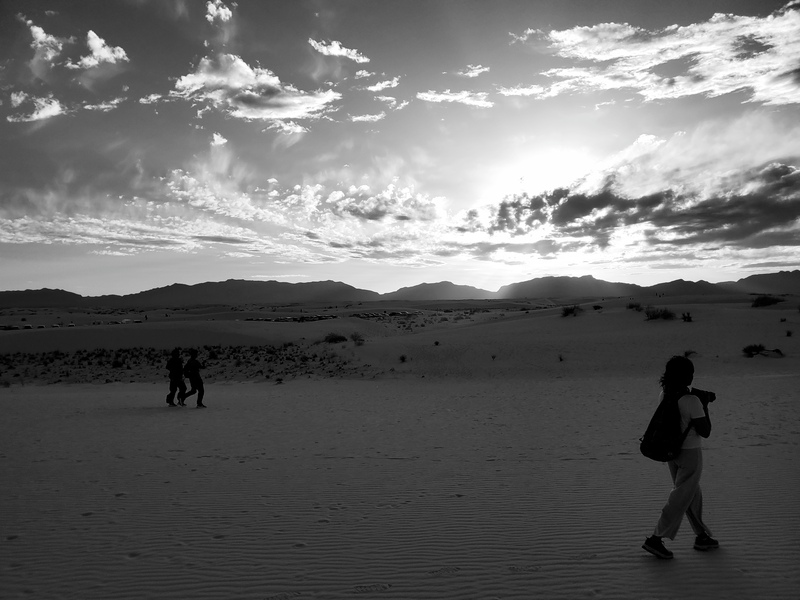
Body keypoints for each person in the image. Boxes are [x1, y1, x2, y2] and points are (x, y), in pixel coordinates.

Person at [643, 355, 719, 559]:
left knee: (690, 492)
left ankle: (701, 536)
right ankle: (656, 539)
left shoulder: (665, 394)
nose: (692, 376)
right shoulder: (692, 400)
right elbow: (706, 431)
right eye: (690, 373)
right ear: (683, 375)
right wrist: (705, 405)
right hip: (690, 453)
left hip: (672, 452)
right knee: (681, 495)